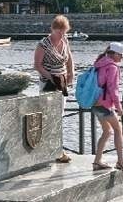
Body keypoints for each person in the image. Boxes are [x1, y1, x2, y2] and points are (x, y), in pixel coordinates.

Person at [34, 15, 74, 163]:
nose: (61, 35)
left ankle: (57, 149)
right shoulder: (43, 44)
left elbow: (69, 58)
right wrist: (51, 77)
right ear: (52, 29)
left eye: (64, 32)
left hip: (62, 82)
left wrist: (71, 73)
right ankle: (48, 149)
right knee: (48, 116)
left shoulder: (65, 41)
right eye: (59, 32)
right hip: (48, 84)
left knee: (59, 116)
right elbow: (37, 65)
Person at [91, 42, 123, 172]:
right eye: (120, 56)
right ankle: (120, 161)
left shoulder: (99, 63)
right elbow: (113, 89)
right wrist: (119, 107)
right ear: (115, 54)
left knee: (107, 131)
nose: (121, 59)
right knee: (118, 129)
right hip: (105, 104)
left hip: (95, 104)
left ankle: (97, 161)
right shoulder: (113, 67)